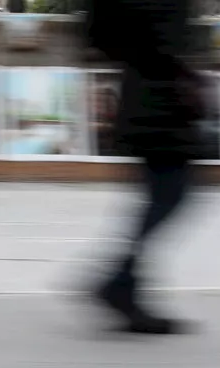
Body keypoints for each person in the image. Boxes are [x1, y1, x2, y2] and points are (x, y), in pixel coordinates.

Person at [85, 0, 209, 334]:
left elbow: (97, 34)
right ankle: (119, 283)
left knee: (164, 192)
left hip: (147, 91)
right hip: (161, 97)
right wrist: (176, 69)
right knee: (171, 191)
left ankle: (121, 284)